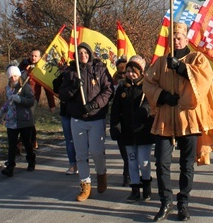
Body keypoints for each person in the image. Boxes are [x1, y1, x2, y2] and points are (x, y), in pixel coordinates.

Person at [143, 22, 213, 222]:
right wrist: (162, 96)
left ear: (186, 39)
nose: (176, 41)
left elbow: (205, 79)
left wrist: (182, 68)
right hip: (166, 117)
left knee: (187, 165)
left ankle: (183, 203)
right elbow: (148, 83)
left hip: (189, 117)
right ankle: (165, 201)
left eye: (179, 38)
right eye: (173, 38)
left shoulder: (197, 58)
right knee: (161, 162)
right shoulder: (161, 62)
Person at [58, 42, 114, 201]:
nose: (83, 55)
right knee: (81, 154)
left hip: (96, 117)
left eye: (85, 52)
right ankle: (85, 184)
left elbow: (109, 90)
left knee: (97, 151)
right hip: (77, 118)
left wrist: (94, 105)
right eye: (80, 52)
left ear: (90, 54)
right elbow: (62, 94)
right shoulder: (70, 72)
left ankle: (101, 174)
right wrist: (73, 87)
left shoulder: (100, 69)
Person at [110, 55, 154, 203]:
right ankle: (135, 188)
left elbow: (151, 104)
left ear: (141, 72)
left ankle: (146, 186)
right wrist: (115, 126)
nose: (130, 74)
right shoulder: (122, 88)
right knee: (132, 161)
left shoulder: (147, 86)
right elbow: (115, 109)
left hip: (143, 131)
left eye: (134, 71)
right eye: (128, 71)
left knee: (144, 161)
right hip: (127, 132)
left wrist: (144, 111)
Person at [0, 65, 36, 177]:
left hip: (24, 120)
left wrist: (20, 99)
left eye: (15, 75)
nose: (13, 78)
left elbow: (31, 102)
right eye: (11, 76)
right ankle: (10, 167)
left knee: (27, 143)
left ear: (18, 75)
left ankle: (31, 160)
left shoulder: (25, 87)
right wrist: (1, 112)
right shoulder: (8, 89)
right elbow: (8, 103)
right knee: (12, 144)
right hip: (11, 121)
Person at [111, 56, 132, 187]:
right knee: (124, 151)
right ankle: (128, 173)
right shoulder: (113, 81)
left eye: (126, 72)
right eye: (121, 72)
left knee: (131, 153)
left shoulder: (139, 83)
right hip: (119, 120)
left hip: (133, 122)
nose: (123, 75)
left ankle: (129, 175)